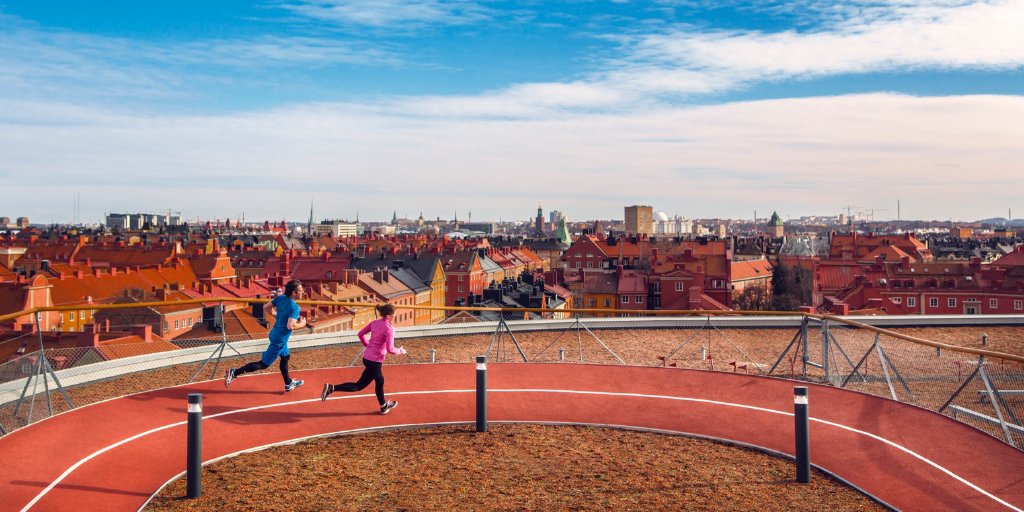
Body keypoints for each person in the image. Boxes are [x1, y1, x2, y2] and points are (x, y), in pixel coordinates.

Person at [321, 303, 406, 414]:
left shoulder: (375, 323)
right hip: (375, 361)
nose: (394, 317)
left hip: (367, 358)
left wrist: (368, 345)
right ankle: (332, 388)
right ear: (389, 316)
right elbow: (390, 349)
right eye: (394, 315)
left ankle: (384, 406)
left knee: (380, 381)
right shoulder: (390, 329)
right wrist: (400, 351)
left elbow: (360, 334)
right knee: (359, 385)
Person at [225, 279, 307, 392]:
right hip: (280, 339)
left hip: (274, 333)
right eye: (301, 291)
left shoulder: (281, 297)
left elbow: (266, 307)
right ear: (294, 293)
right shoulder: (295, 308)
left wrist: (276, 315)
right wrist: (302, 324)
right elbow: (290, 326)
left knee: (285, 357)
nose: (303, 292)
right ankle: (234, 372)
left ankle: (288, 383)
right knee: (263, 364)